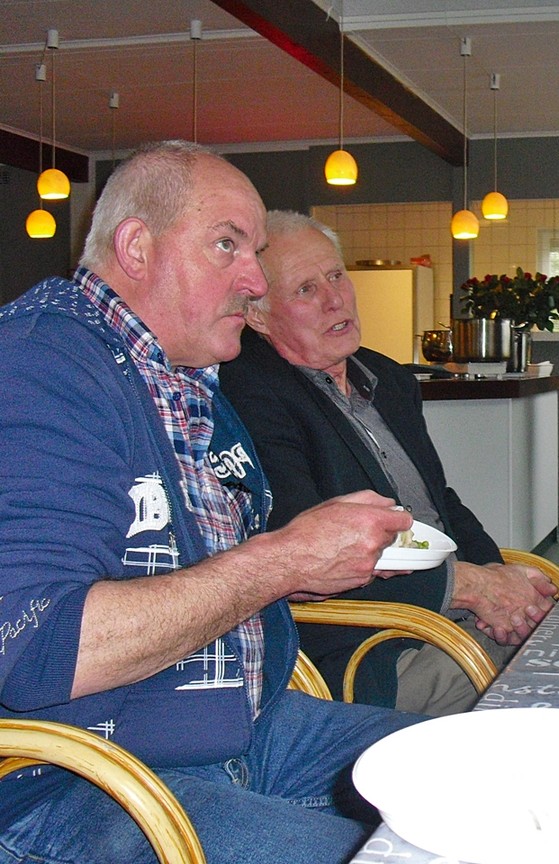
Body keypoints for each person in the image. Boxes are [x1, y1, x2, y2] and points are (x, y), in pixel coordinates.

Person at [0, 141, 425, 863]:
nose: (255, 281)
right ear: (136, 247)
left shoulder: (189, 382)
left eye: (254, 252)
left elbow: (198, 577)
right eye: (227, 245)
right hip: (86, 779)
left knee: (494, 769)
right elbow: (37, 648)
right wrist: (281, 560)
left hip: (245, 726)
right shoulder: (39, 366)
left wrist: (311, 565)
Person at [220, 211, 557, 715]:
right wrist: (473, 588)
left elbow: (441, 501)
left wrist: (496, 576)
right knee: (549, 679)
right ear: (258, 316)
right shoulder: (248, 395)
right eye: (306, 290)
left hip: (452, 612)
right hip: (373, 644)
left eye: (336, 276)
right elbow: (305, 558)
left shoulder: (387, 378)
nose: (335, 299)